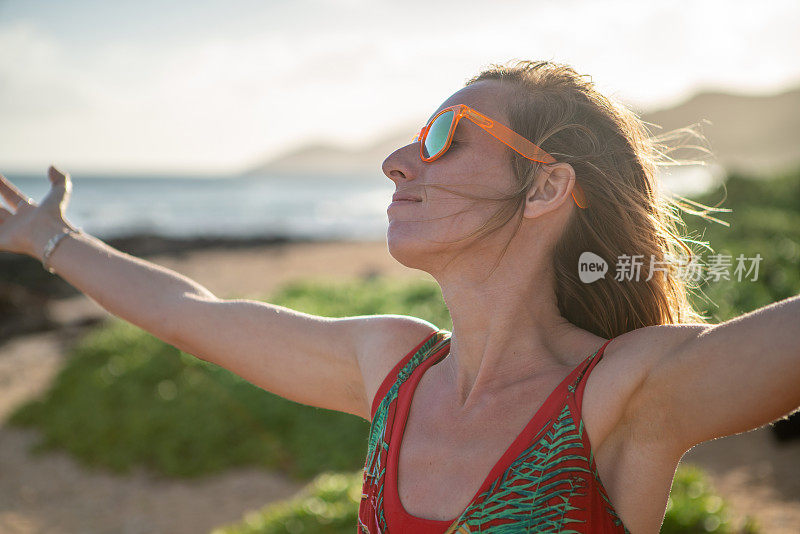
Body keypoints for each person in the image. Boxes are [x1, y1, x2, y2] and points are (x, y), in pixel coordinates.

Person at [0, 59, 797, 534]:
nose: (395, 160)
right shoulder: (391, 368)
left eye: (446, 135)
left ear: (547, 186)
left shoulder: (625, 392)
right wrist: (47, 242)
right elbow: (190, 311)